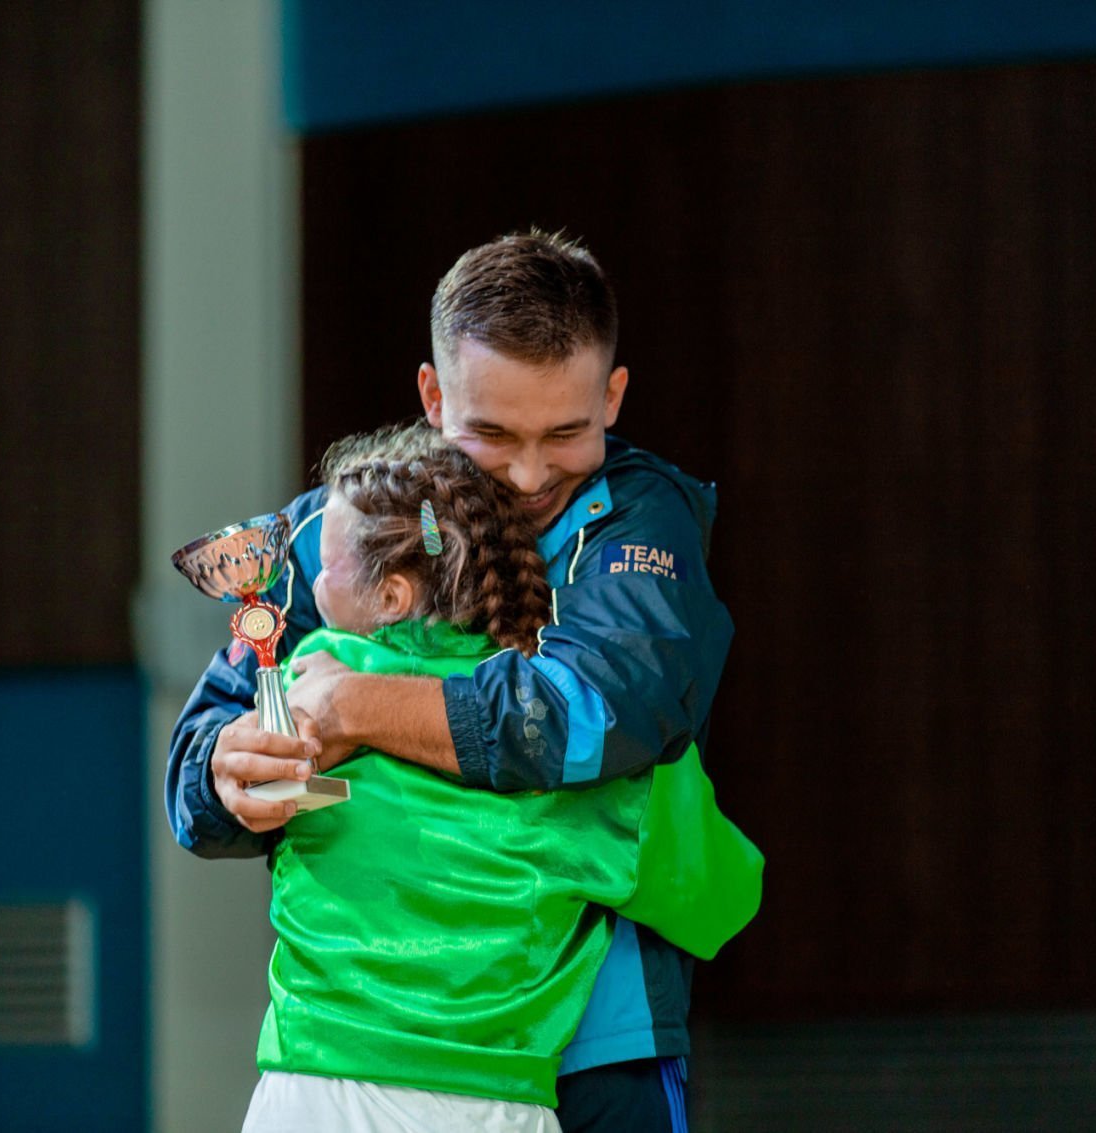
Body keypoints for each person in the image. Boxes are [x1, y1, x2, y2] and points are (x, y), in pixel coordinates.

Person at [168, 230, 740, 1132]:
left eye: (567, 433)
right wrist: (227, 774)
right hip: (363, 1038)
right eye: (492, 434)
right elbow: (196, 770)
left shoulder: (640, 521)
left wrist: (354, 704)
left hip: (599, 1042)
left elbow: (600, 713)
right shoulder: (341, 529)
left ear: (612, 395)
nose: (529, 474)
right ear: (434, 396)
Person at [240, 423, 761, 1133]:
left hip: (311, 1088)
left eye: (323, 568)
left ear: (390, 596)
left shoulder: (306, 690)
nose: (309, 583)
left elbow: (232, 798)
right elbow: (724, 893)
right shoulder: (582, 746)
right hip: (494, 1103)